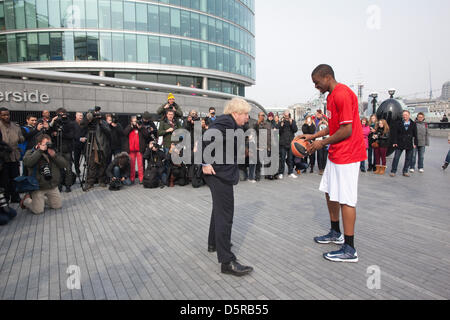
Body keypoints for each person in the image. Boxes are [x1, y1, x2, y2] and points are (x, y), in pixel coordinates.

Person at [300, 64, 367, 263]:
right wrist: (314, 135)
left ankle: (350, 248)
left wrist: (321, 143)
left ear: (327, 77)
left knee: (346, 199)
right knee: (330, 191)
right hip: (336, 153)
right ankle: (335, 232)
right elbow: (334, 126)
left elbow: (346, 130)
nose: (315, 86)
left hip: (349, 154)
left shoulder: (343, 94)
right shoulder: (330, 97)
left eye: (316, 82)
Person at [203, 98, 254, 276]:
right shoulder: (225, 122)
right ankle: (227, 261)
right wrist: (205, 162)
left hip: (219, 172)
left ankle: (214, 243)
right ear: (236, 113)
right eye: (245, 114)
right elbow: (206, 137)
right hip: (218, 173)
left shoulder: (231, 124)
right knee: (226, 215)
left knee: (219, 210)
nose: (247, 117)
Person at [21, 134, 68, 215]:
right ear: (39, 144)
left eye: (49, 143)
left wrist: (54, 156)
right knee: (38, 211)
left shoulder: (52, 151)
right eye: (46, 144)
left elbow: (64, 164)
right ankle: (26, 200)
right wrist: (39, 151)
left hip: (52, 185)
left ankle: (42, 200)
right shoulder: (31, 152)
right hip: (38, 187)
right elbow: (28, 163)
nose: (48, 145)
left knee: (57, 206)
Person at [80, 107, 112, 190]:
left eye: (98, 114)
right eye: (95, 114)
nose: (97, 116)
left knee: (102, 165)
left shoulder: (103, 122)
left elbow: (108, 132)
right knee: (91, 166)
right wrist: (89, 118)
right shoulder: (89, 123)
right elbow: (82, 125)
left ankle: (101, 180)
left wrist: (101, 123)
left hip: (102, 147)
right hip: (92, 147)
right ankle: (90, 182)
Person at [0, 107, 25, 203]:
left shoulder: (15, 126)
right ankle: (5, 198)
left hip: (14, 155)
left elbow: (21, 137)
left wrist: (20, 138)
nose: (6, 116)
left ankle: (15, 196)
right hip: (3, 156)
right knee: (5, 180)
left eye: (7, 114)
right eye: (4, 115)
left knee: (15, 177)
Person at [49, 108, 76, 193]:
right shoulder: (55, 123)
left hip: (67, 149)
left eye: (63, 114)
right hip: (57, 149)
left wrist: (61, 133)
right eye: (60, 114)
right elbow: (48, 132)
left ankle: (68, 185)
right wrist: (53, 121)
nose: (62, 116)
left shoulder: (70, 123)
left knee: (68, 168)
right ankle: (59, 186)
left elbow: (71, 135)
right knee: (58, 169)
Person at [389, 110, 418, 177]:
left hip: (409, 143)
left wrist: (415, 143)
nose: (405, 116)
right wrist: (395, 142)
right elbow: (395, 133)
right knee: (396, 157)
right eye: (403, 115)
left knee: (408, 158)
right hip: (399, 142)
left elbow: (415, 134)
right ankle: (393, 171)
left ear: (409, 115)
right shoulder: (398, 123)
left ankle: (405, 171)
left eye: (406, 115)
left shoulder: (413, 124)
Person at [124, 116, 148, 184]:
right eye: (134, 121)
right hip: (131, 150)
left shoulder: (141, 127)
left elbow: (146, 135)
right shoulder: (129, 127)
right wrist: (131, 127)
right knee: (132, 165)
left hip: (139, 150)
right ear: (131, 122)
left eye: (136, 121)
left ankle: (141, 179)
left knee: (140, 165)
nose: (136, 122)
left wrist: (140, 128)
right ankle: (132, 178)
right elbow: (125, 133)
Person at [277, 110, 298, 179]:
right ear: (283, 115)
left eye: (287, 115)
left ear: (289, 115)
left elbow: (295, 130)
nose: (286, 117)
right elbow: (278, 132)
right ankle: (281, 173)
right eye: (285, 115)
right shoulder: (281, 122)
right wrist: (281, 126)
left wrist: (292, 123)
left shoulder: (292, 121)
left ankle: (290, 172)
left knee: (290, 159)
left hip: (290, 142)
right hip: (283, 143)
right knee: (282, 158)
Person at [73, 112, 85, 178]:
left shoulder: (84, 124)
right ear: (76, 116)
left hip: (84, 143)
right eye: (80, 115)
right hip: (76, 144)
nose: (81, 117)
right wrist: (79, 139)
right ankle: (77, 171)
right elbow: (72, 134)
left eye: (82, 115)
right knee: (76, 159)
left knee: (87, 158)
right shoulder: (73, 124)